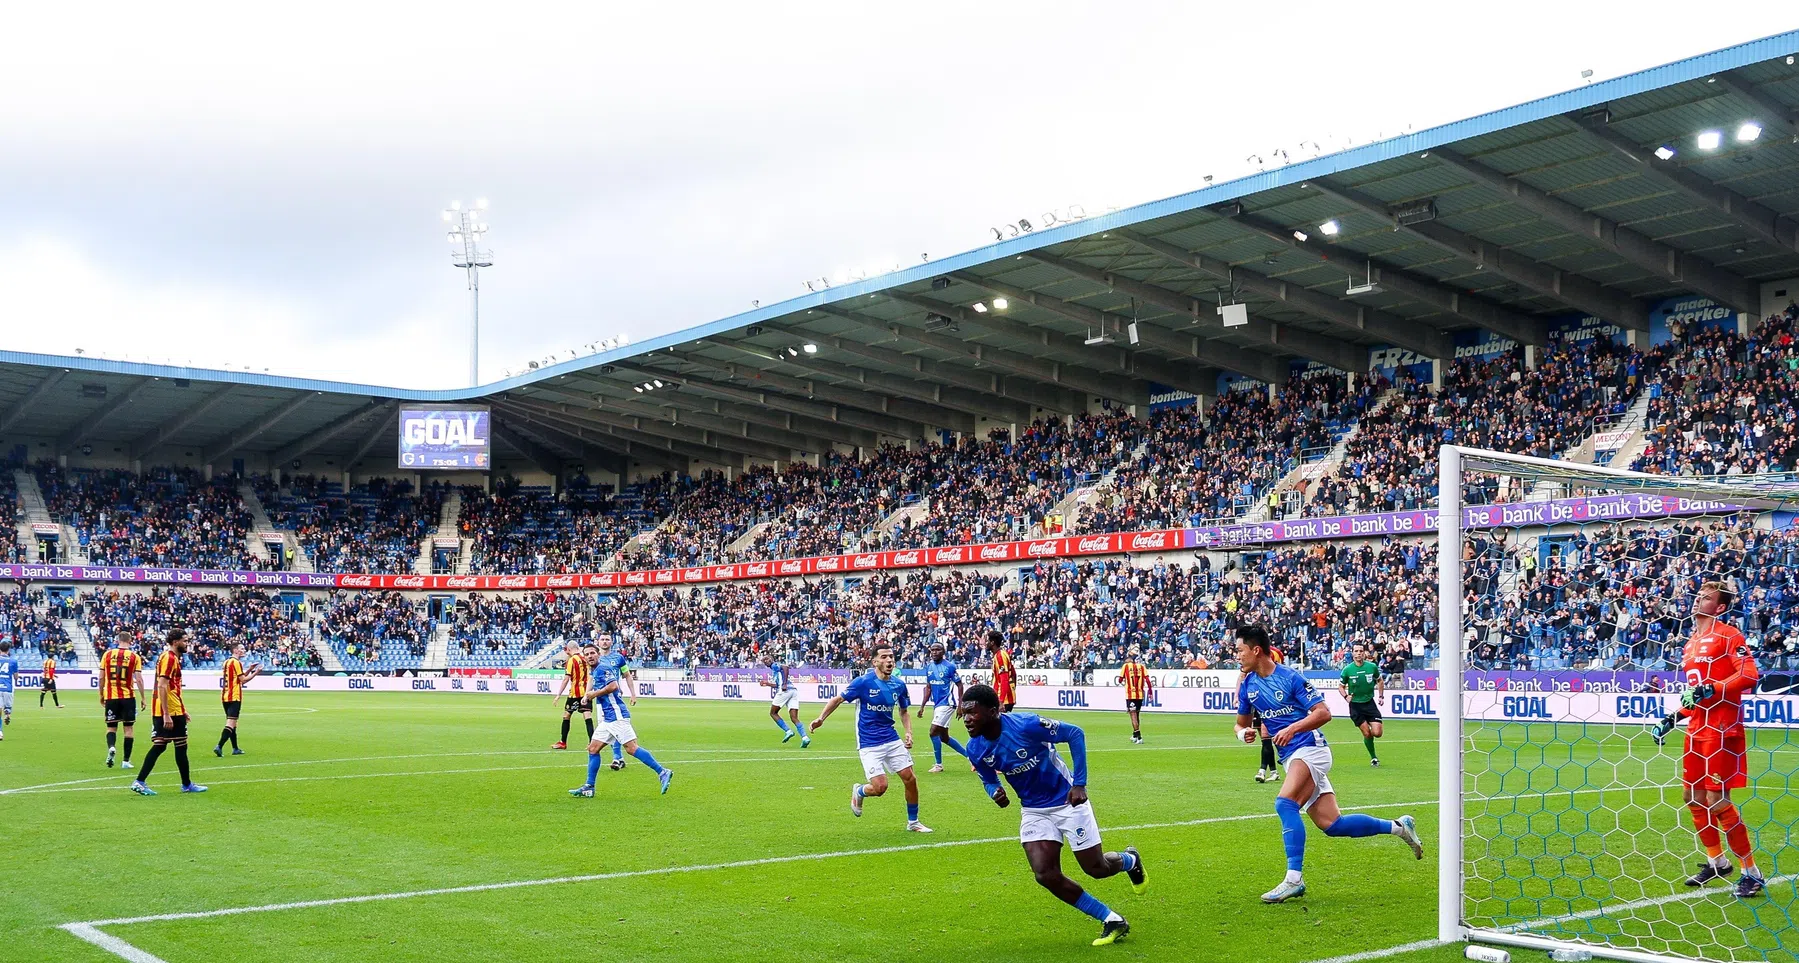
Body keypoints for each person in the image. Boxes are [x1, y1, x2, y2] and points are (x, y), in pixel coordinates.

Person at [1233, 624, 1421, 903]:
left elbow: (1324, 713)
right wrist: (1243, 734)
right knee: (1333, 825)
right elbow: (1240, 724)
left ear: (1256, 650)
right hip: (1291, 756)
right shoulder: (1248, 685)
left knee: (1285, 803)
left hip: (1311, 749)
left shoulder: (1290, 678)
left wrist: (1293, 728)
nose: (1236, 656)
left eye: (1239, 650)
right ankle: (1399, 826)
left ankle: (1293, 879)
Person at [961, 683, 1146, 946]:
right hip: (1034, 810)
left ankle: (1130, 860)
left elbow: (1075, 733)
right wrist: (995, 791)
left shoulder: (1026, 725)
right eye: (964, 712)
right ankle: (1112, 919)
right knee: (1045, 874)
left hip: (1067, 801)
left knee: (1097, 869)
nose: (966, 719)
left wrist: (1079, 783)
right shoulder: (975, 748)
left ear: (992, 711)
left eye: (972, 712)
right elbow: (988, 779)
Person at [1653, 581, 1764, 898]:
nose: (1698, 600)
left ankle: (1751, 872)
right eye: (1698, 595)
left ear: (1720, 607)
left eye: (1707, 598)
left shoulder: (1730, 635)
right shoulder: (1690, 644)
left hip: (1722, 728)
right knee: (1692, 797)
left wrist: (1714, 688)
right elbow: (1696, 694)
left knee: (1717, 800)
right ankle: (1717, 861)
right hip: (1697, 729)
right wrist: (1674, 717)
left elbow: (1749, 675)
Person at [810, 645, 929, 832]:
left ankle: (913, 822)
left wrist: (908, 732)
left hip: (891, 737)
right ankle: (859, 791)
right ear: (875, 662)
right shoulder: (863, 683)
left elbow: (904, 711)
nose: (889, 660)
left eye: (891, 656)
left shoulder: (898, 684)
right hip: (868, 741)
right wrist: (820, 719)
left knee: (910, 779)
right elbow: (837, 700)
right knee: (880, 787)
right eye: (884, 657)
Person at [570, 643, 672, 797]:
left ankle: (662, 772)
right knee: (593, 749)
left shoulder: (603, 668)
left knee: (631, 748)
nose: (590, 656)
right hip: (608, 718)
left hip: (617, 715)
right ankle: (589, 787)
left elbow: (613, 686)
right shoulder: (595, 670)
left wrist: (593, 694)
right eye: (587, 654)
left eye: (592, 653)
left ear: (598, 654)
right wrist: (587, 696)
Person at [132, 628, 207, 796]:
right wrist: (166, 713)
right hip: (168, 711)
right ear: (175, 642)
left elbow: (172, 688)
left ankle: (185, 784)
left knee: (167, 745)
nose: (187, 644)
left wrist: (182, 709)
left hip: (173, 708)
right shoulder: (169, 658)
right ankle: (142, 781)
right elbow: (162, 685)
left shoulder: (171, 658)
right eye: (185, 641)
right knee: (172, 745)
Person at [98, 631, 147, 769]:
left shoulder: (107, 654)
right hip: (128, 697)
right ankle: (126, 761)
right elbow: (139, 679)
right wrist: (143, 698)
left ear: (117, 640)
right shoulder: (134, 656)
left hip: (111, 696)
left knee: (111, 727)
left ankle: (112, 747)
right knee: (128, 728)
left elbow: (101, 677)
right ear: (130, 641)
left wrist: (101, 694)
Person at [917, 642, 966, 772]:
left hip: (947, 703)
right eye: (932, 650)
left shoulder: (949, 666)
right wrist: (922, 706)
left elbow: (960, 685)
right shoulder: (929, 667)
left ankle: (938, 765)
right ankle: (971, 757)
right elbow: (928, 687)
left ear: (943, 652)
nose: (934, 652)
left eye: (937, 650)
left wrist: (961, 705)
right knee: (944, 737)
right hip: (938, 705)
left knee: (933, 732)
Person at [1340, 643, 1384, 767]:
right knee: (1366, 733)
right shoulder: (1348, 669)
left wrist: (1381, 696)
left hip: (1369, 703)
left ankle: (1371, 727)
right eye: (1356, 651)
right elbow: (1341, 686)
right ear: (1352, 653)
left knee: (1377, 733)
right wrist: (1346, 696)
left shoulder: (1372, 667)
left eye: (1361, 651)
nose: (1359, 653)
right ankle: (1373, 757)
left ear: (1364, 652)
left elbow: (1380, 680)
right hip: (1355, 706)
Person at [214, 643, 262, 757]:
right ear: (235, 650)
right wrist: (256, 673)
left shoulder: (227, 662)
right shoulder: (236, 663)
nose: (243, 650)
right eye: (241, 649)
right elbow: (243, 680)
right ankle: (219, 746)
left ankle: (235, 748)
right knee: (231, 723)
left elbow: (238, 678)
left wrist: (250, 669)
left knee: (233, 723)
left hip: (225, 696)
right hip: (234, 696)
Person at [594, 634, 631, 770]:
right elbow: (591, 679)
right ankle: (619, 758)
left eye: (607, 639)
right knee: (608, 729)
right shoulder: (595, 659)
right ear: (598, 642)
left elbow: (627, 675)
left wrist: (633, 694)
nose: (604, 642)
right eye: (602, 639)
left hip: (614, 699)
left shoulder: (618, 658)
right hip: (600, 699)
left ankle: (617, 757)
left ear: (612, 642)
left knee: (614, 727)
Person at [550, 641, 594, 750]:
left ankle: (563, 742)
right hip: (586, 692)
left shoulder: (572, 660)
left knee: (566, 716)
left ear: (569, 649)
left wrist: (558, 695)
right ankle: (592, 743)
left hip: (575, 694)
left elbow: (566, 679)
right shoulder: (586, 658)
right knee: (587, 716)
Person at [761, 650, 809, 747]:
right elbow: (778, 684)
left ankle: (788, 731)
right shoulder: (775, 670)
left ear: (771, 659)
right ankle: (805, 738)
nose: (765, 661)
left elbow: (786, 667)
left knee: (773, 713)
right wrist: (767, 684)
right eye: (764, 660)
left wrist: (785, 683)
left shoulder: (775, 665)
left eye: (767, 659)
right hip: (793, 691)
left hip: (785, 691)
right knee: (794, 717)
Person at [1119, 649, 1152, 744]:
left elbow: (1120, 680)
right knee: (1136, 714)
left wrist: (1124, 681)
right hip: (1140, 695)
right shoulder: (1142, 667)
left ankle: (1139, 736)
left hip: (1130, 694)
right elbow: (1148, 681)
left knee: (1132, 714)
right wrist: (1150, 692)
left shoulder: (1125, 666)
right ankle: (1134, 735)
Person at [988, 630, 1017, 713]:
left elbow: (1004, 679)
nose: (986, 643)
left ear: (992, 642)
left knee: (999, 725)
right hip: (1005, 698)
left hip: (1004, 700)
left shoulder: (1000, 656)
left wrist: (1001, 702)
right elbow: (1014, 674)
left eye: (988, 641)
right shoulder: (1000, 654)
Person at [0, 641, 15, 740]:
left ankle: (0, 732)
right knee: (7, 709)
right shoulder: (13, 661)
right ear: (8, 649)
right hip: (8, 688)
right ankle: (8, 714)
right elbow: (16, 676)